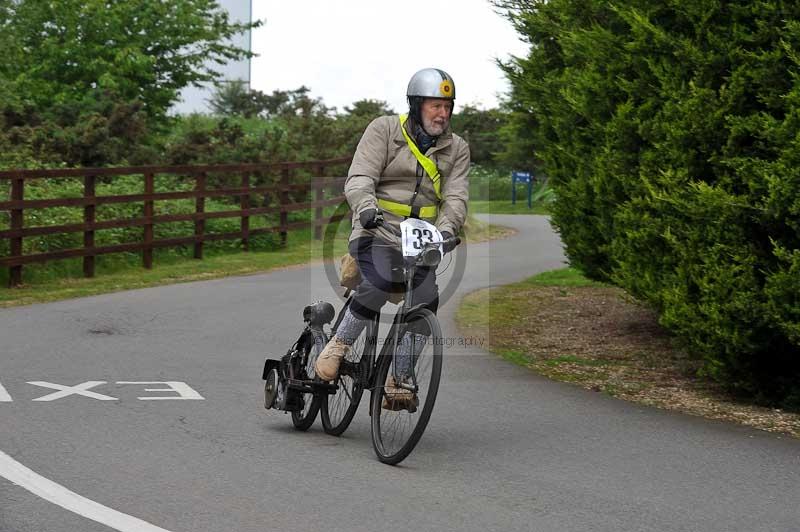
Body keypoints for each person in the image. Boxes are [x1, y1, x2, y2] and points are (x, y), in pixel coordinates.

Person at [314, 67, 470, 409]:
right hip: (377, 231)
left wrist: (446, 232)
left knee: (426, 301)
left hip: (422, 243)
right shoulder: (384, 130)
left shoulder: (456, 148)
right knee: (379, 282)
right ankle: (338, 345)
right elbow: (360, 177)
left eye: (447, 107)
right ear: (416, 105)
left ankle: (398, 378)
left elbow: (456, 197)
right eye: (434, 106)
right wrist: (366, 208)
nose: (442, 114)